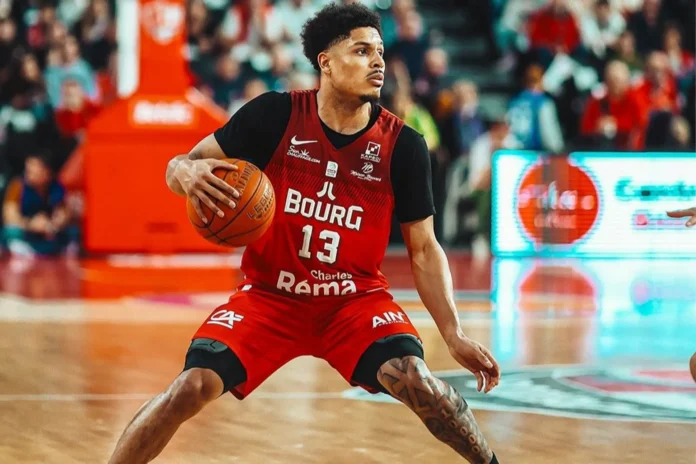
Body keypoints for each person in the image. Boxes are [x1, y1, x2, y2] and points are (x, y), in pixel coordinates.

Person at [107, 4, 501, 464]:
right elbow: (181, 165)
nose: (377, 62)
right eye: (361, 51)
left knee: (418, 380)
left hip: (354, 302)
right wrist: (186, 172)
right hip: (269, 297)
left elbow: (425, 249)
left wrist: (452, 334)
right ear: (325, 62)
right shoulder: (274, 115)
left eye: (379, 51)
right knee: (189, 387)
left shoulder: (404, 146)